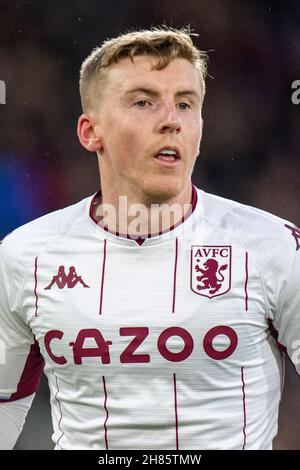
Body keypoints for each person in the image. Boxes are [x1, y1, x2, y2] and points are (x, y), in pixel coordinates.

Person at [0, 26, 299, 451]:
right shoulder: (24, 257)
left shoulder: (273, 248)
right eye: (143, 102)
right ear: (90, 132)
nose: (171, 121)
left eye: (185, 103)